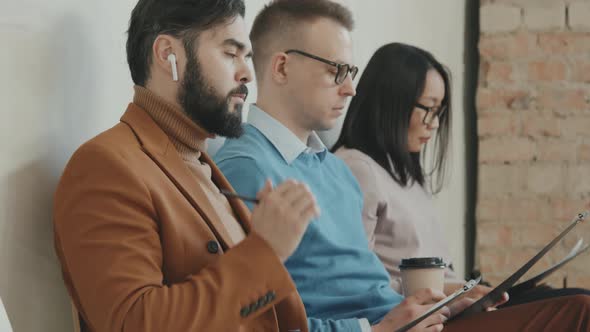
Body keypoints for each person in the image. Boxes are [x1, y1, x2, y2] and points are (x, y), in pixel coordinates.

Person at [215, 1, 590, 331]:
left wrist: (443, 304)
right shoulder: (244, 167)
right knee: (579, 311)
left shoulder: (335, 170)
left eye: (352, 73)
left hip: (411, 321)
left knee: (576, 304)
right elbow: (250, 319)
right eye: (337, 71)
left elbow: (371, 287)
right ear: (281, 67)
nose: (350, 89)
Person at [52, 1, 320, 331]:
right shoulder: (104, 166)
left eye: (246, 56)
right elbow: (135, 322)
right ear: (168, 55)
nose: (247, 73)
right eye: (230, 53)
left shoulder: (200, 162)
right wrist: (265, 250)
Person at [332, 42, 590, 307]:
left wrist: (468, 290)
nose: (433, 124)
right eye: (428, 108)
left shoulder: (403, 173)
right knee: (579, 305)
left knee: (572, 297)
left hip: (449, 306)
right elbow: (354, 284)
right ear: (391, 101)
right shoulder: (356, 169)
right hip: (422, 315)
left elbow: (440, 274)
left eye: (439, 111)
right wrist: (456, 291)